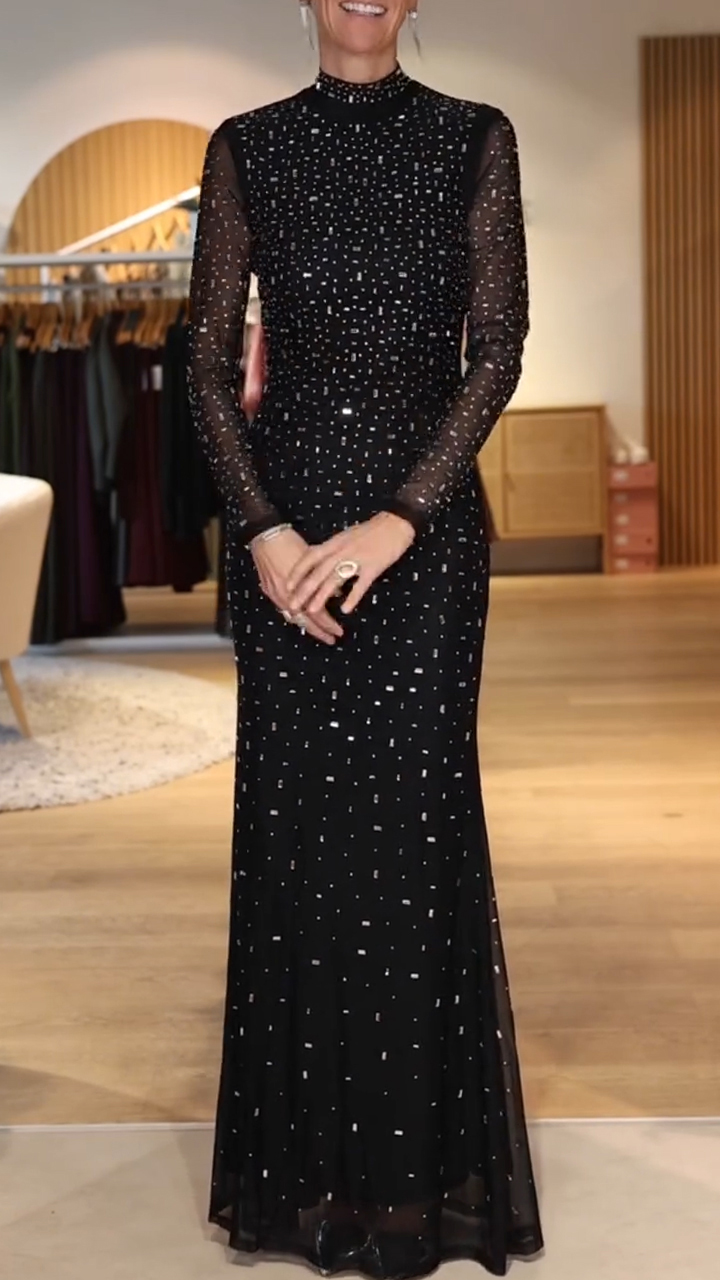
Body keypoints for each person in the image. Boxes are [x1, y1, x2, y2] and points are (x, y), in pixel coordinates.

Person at [187, 1, 544, 1276]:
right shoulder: (247, 147)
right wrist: (263, 532)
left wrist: (401, 518)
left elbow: (496, 351)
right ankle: (305, 1174)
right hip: (286, 542)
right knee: (299, 844)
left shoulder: (475, 139)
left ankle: (414, 1175)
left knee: (413, 837)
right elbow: (203, 359)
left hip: (423, 542)